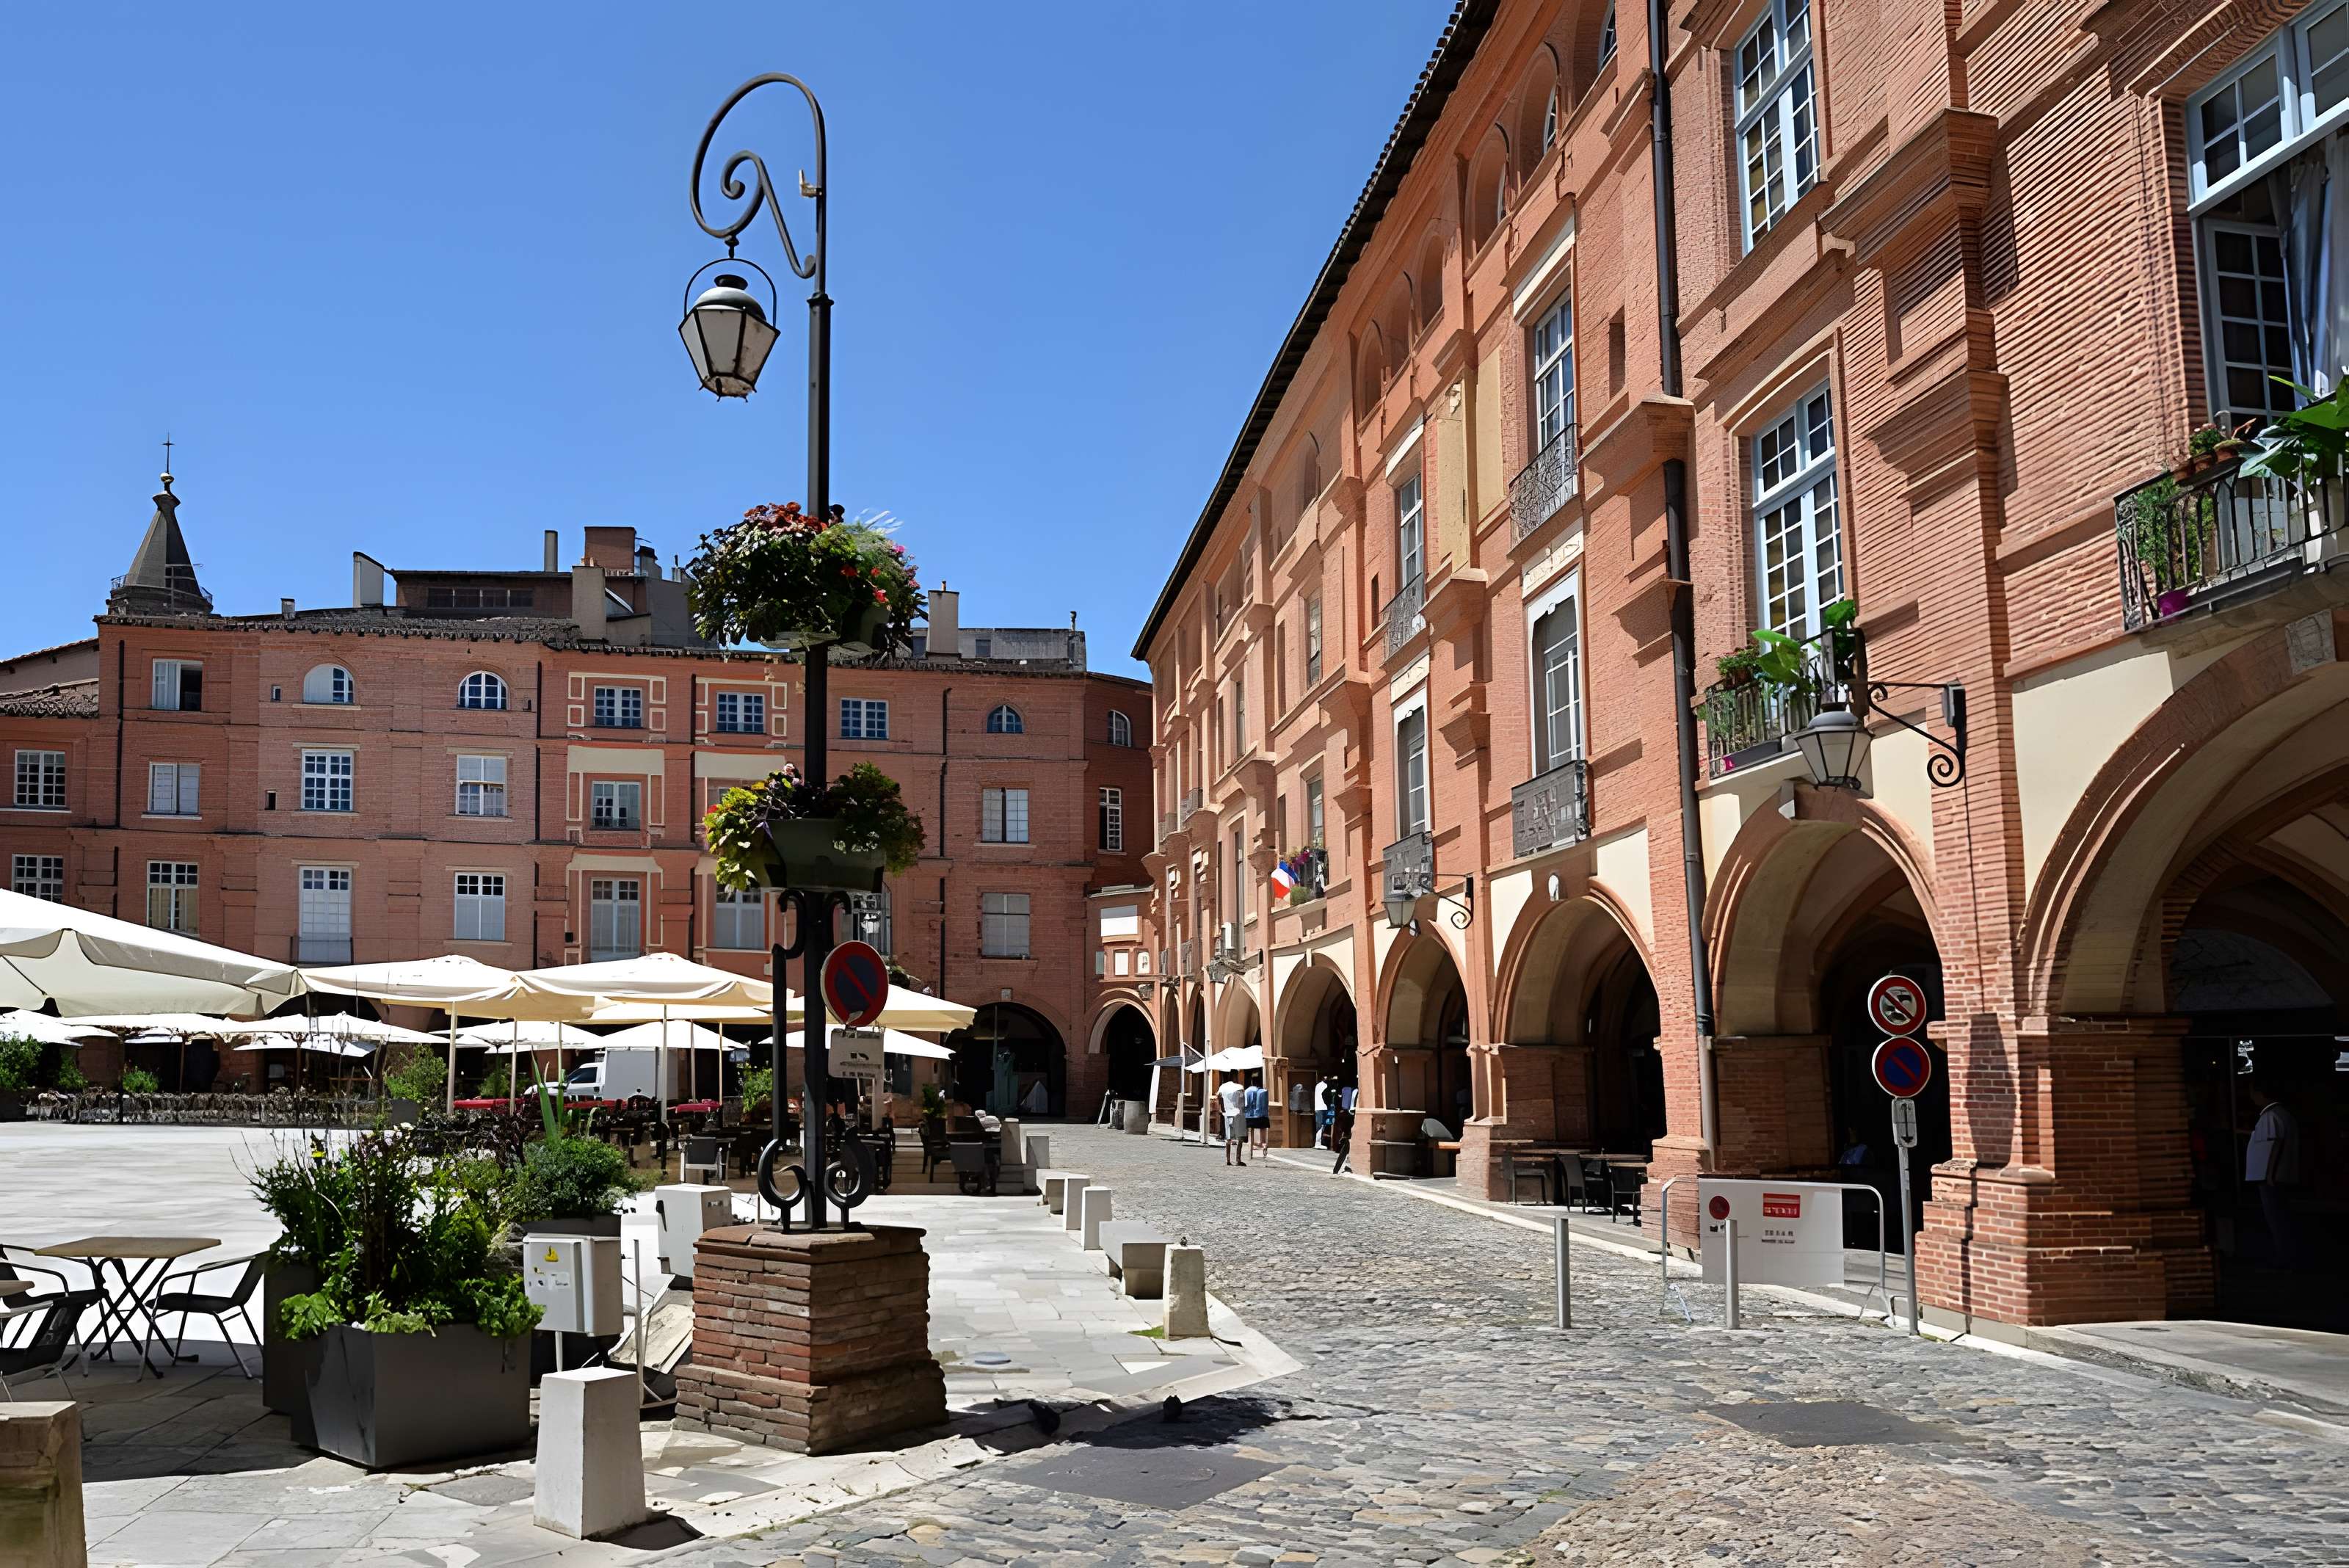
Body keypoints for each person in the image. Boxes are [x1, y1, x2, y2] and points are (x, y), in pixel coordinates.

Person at [2245, 1076, 2303, 1268]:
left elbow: (2275, 1145)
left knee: (2277, 1220)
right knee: (2282, 1218)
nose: (2252, 1097)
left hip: (2272, 1178)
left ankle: (2285, 1258)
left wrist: (2269, 1174)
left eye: (2253, 1092)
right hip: (2277, 1176)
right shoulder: (2283, 1114)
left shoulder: (2271, 1115)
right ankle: (2288, 1256)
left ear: (2262, 1094)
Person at [1216, 1073, 1249, 1166]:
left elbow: (1217, 1096)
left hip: (1228, 1114)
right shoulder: (1240, 1087)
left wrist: (1221, 1108)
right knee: (1240, 1139)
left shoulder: (1223, 1087)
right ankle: (1238, 1160)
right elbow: (1243, 1101)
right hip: (1238, 1114)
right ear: (1236, 1077)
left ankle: (1228, 1160)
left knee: (1228, 1138)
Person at [1244, 1074, 1271, 1156]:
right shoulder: (1264, 1091)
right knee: (1263, 1130)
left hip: (1250, 1116)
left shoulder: (1247, 1091)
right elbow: (1266, 1105)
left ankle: (1251, 1148)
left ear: (1252, 1082)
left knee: (1251, 1131)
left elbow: (1245, 1104)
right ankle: (1264, 1145)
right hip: (1262, 1116)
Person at [1313, 1075, 1333, 1148]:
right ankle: (1318, 1143)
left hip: (1318, 1108)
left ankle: (1319, 1142)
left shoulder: (1318, 1085)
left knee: (1320, 1125)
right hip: (1323, 1107)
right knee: (1322, 1125)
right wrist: (1328, 1104)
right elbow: (1326, 1096)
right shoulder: (1325, 1086)